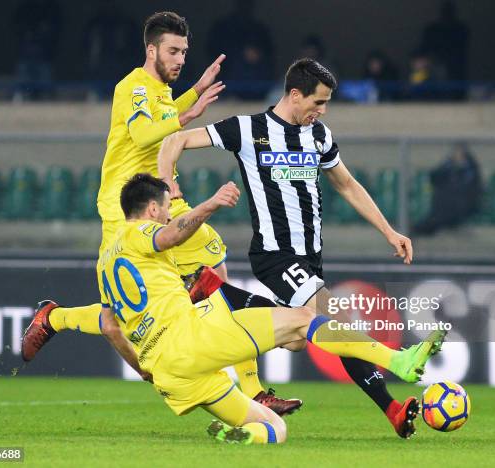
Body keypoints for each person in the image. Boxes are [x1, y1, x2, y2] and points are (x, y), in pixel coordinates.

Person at [21, 11, 298, 414]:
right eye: (173, 50)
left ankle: (254, 391)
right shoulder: (132, 87)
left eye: (184, 51)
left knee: (215, 272)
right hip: (125, 209)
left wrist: (191, 95)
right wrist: (185, 115)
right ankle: (54, 318)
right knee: (116, 319)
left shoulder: (161, 91)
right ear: (151, 49)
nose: (181, 58)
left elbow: (161, 119)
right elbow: (144, 132)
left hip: (161, 201)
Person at [157, 58, 428, 438]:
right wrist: (170, 187)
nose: (322, 111)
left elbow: (347, 184)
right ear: (295, 94)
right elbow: (175, 139)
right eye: (317, 102)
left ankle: (221, 292)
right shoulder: (249, 129)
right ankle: (396, 385)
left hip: (310, 257)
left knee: (305, 337)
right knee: (337, 322)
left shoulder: (318, 135)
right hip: (274, 254)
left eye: (326, 103)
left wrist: (388, 231)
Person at [98, 173, 446, 444]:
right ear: (153, 209)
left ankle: (244, 437)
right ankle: (398, 359)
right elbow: (170, 235)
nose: (168, 215)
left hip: (169, 374)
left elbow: (110, 327)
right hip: (190, 338)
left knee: (274, 428)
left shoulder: (105, 262)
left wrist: (144, 370)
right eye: (165, 209)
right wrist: (211, 204)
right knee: (304, 320)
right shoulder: (138, 232)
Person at [412, 143, 481, 235]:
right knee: (438, 212)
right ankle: (421, 229)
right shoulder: (448, 165)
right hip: (445, 204)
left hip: (463, 204)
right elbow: (434, 177)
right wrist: (448, 166)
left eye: (460, 153)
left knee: (439, 216)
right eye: (456, 153)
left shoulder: (470, 169)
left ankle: (423, 228)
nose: (457, 156)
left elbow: (470, 187)